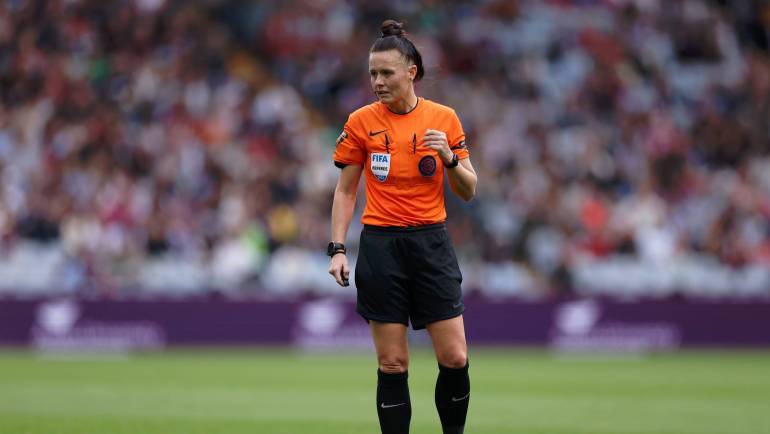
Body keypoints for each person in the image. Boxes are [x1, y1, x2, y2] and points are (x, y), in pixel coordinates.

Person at [327, 19, 478, 434]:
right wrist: (337, 248)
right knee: (392, 363)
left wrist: (449, 158)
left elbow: (468, 188)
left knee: (455, 357)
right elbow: (344, 191)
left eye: (386, 73)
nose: (377, 81)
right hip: (381, 247)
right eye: (373, 73)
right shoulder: (360, 122)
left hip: (431, 243)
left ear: (411, 72)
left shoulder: (443, 118)